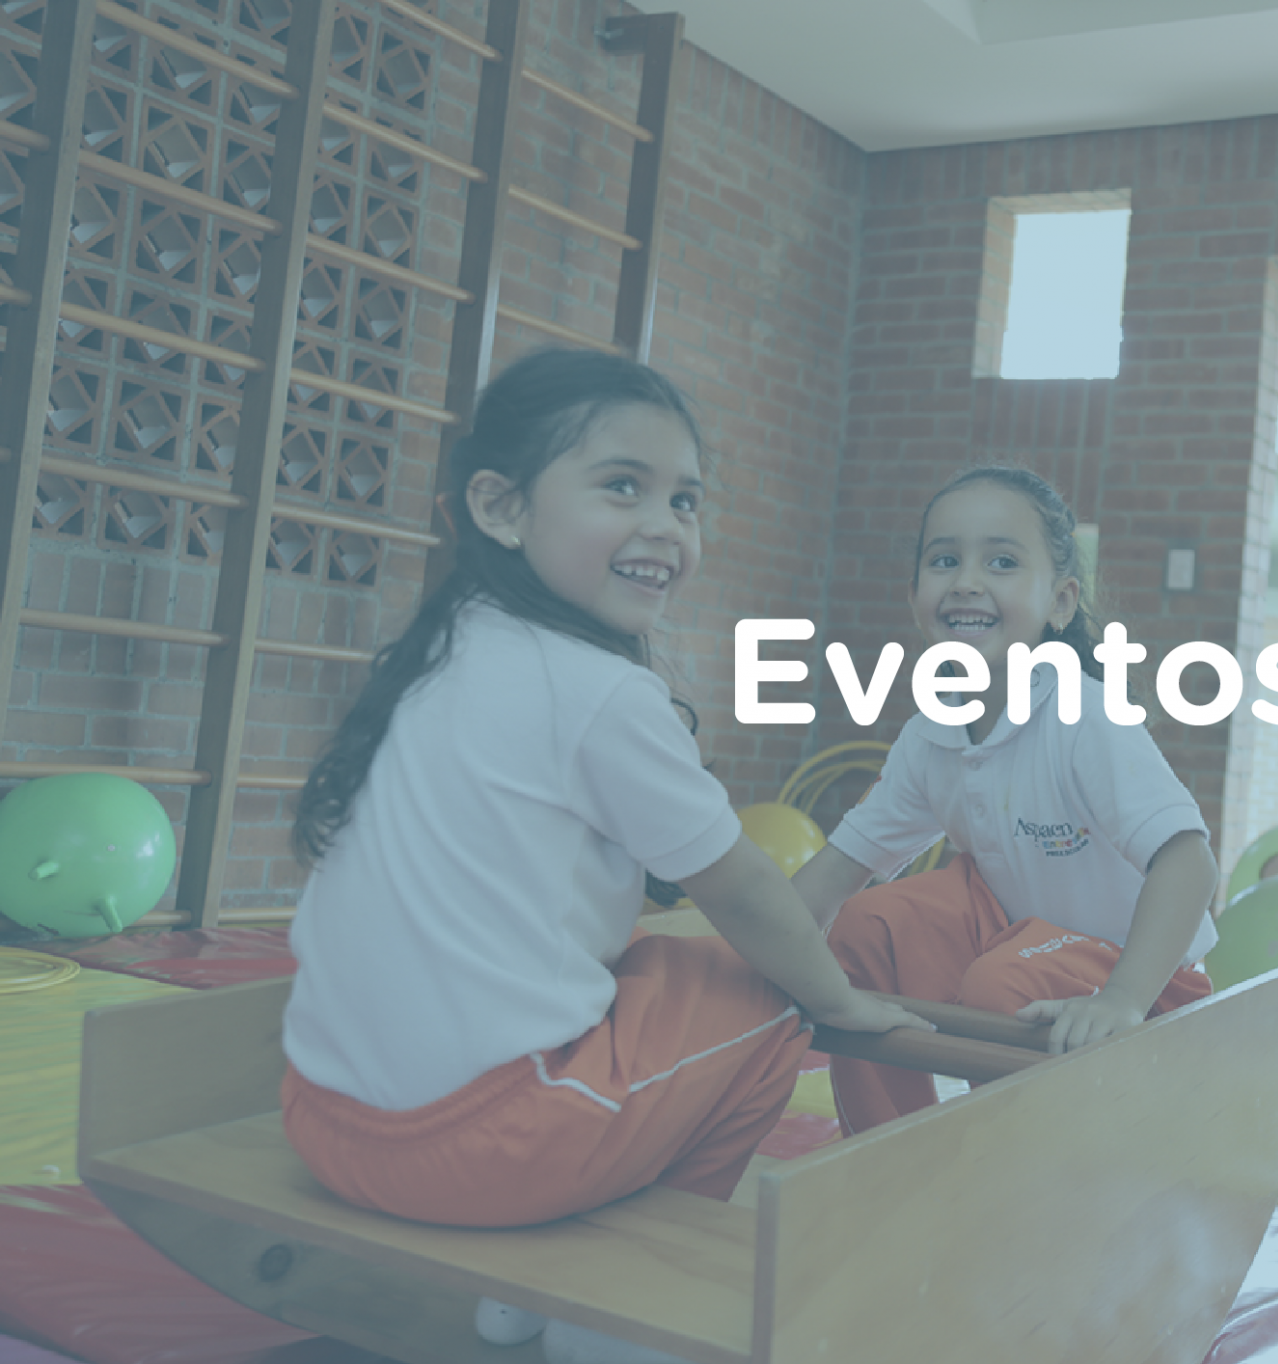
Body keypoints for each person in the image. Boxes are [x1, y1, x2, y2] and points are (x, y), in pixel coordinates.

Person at [279, 349, 928, 1364]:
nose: (665, 526)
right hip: (475, 1154)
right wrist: (840, 1001)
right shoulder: (599, 691)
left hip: (321, 1119)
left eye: (685, 499)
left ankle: (515, 1303)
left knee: (662, 963)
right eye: (622, 486)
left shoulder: (443, 646)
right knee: (773, 993)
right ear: (500, 506)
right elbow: (745, 892)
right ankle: (614, 1305)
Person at [791, 466, 1221, 1134]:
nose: (966, 580)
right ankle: (887, 1148)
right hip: (1016, 942)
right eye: (944, 560)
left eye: (1001, 562)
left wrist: (1123, 999)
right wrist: (753, 964)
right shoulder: (931, 734)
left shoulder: (1082, 714)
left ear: (1060, 602)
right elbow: (833, 876)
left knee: (1000, 985)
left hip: (1143, 975)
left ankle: (1023, 1158)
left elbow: (1190, 864)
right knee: (864, 930)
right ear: (915, 597)